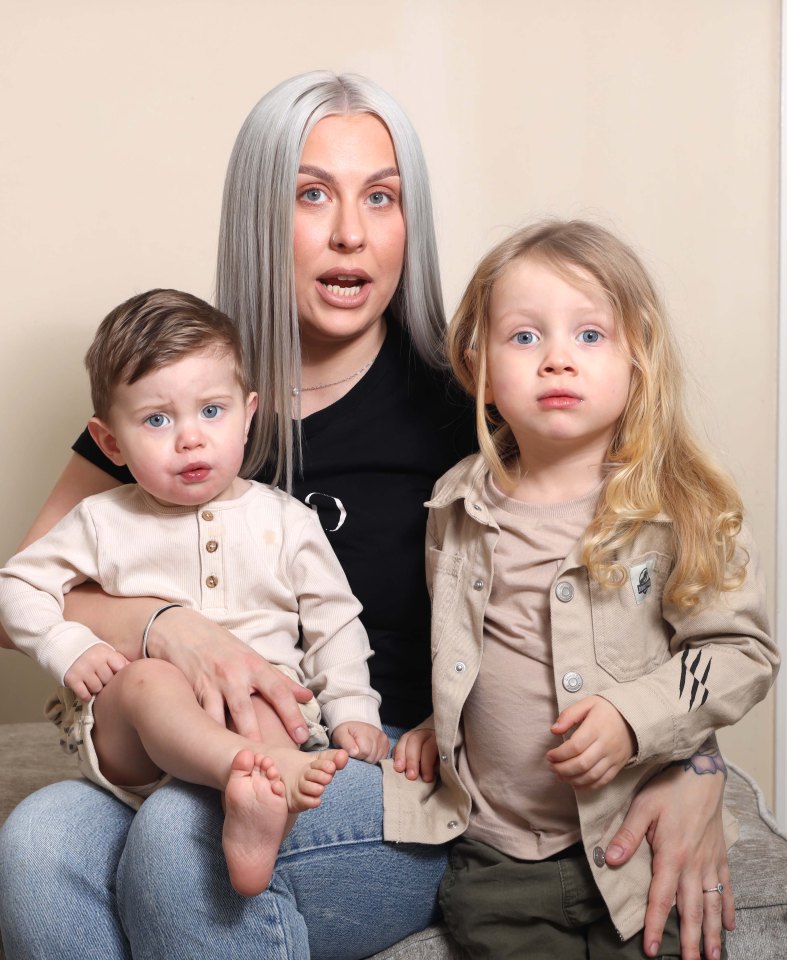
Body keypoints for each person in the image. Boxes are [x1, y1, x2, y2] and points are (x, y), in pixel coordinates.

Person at [0, 73, 737, 960]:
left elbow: (636, 582)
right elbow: (27, 596)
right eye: (311, 194)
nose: (350, 231)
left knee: (175, 841)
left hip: (380, 760)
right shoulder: (182, 393)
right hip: (176, 742)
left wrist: (692, 765)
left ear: (406, 222)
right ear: (256, 220)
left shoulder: (474, 403)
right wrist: (168, 627)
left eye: (380, 197)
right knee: (37, 845)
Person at [391, 220, 778, 959]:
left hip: (640, 841)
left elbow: (738, 653)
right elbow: (464, 644)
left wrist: (634, 718)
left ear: (638, 359)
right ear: (477, 366)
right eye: (525, 337)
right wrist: (443, 722)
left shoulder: (686, 507)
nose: (558, 359)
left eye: (590, 336)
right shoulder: (454, 507)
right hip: (497, 858)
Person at [0, 288, 389, 898]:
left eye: (212, 411)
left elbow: (334, 625)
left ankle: (254, 800)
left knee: (266, 696)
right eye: (157, 420)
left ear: (248, 411)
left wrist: (354, 710)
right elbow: (17, 584)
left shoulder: (287, 522)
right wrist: (66, 645)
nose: (190, 439)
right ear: (110, 444)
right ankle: (251, 773)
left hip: (262, 718)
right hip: (137, 741)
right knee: (148, 682)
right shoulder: (102, 521)